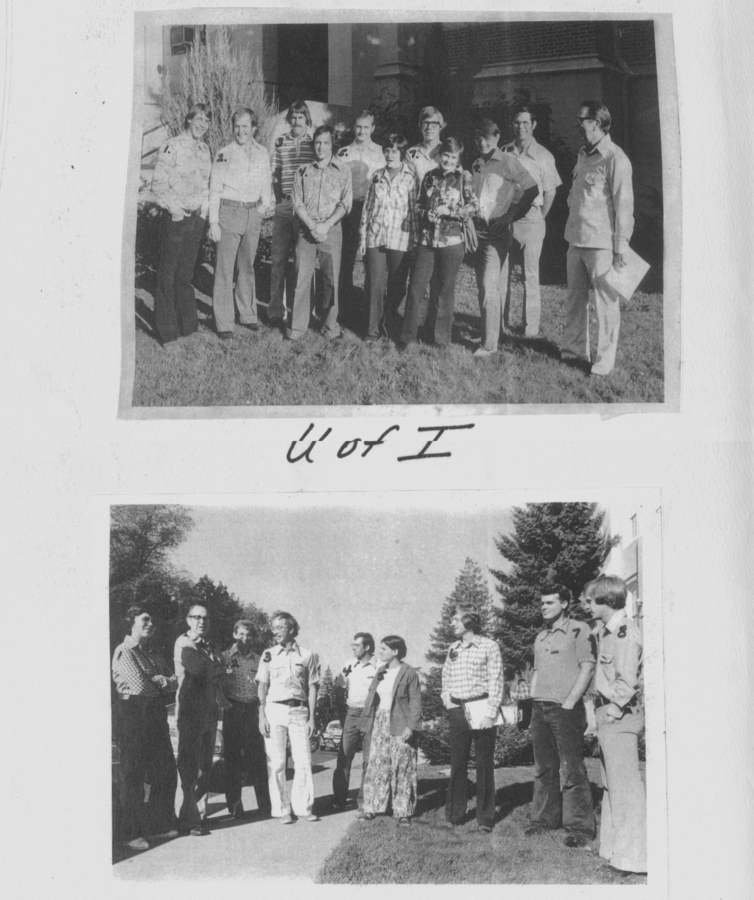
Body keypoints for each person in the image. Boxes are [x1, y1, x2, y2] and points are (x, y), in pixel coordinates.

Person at [562, 100, 634, 375]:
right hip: (576, 239)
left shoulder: (615, 158)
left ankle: (604, 362)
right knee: (574, 299)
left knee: (606, 304)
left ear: (597, 122)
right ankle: (573, 352)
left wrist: (620, 246)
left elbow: (624, 206)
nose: (578, 125)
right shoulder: (583, 154)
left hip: (602, 244)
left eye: (581, 120)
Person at [583, 575, 646, 875]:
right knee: (611, 787)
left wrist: (614, 710)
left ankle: (635, 859)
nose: (586, 605)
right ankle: (613, 852)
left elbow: (627, 680)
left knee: (626, 790)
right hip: (608, 715)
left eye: (589, 600)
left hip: (618, 715)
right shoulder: (606, 631)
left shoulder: (623, 632)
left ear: (606, 601)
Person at [526, 584, 597, 847]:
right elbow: (536, 672)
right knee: (544, 768)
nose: (543, 607)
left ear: (565, 604)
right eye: (542, 603)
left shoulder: (579, 629)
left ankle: (579, 827)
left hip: (566, 709)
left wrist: (569, 703)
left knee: (572, 768)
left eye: (550, 603)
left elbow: (587, 668)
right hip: (540, 708)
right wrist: (532, 700)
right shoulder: (541, 636)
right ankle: (543, 821)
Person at [400, 137, 478, 350]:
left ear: (458, 158)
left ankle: (439, 339)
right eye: (446, 155)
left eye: (453, 157)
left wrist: (451, 211)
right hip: (426, 241)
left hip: (451, 242)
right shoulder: (428, 176)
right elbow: (417, 205)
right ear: (439, 155)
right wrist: (427, 214)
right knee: (416, 288)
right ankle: (408, 337)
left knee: (444, 290)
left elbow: (474, 207)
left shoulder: (464, 177)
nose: (449, 160)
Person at [470, 118, 539, 358]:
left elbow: (532, 189)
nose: (482, 141)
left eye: (487, 137)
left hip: (497, 232)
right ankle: (490, 333)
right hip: (477, 231)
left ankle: (489, 346)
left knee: (489, 285)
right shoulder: (477, 164)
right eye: (478, 137)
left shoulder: (509, 162)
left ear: (497, 138)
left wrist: (510, 217)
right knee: (486, 286)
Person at [112, 606, 178, 851]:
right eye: (145, 619)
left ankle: (158, 825)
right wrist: (160, 681)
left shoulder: (155, 654)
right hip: (131, 715)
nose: (151, 623)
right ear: (132, 622)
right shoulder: (124, 650)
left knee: (166, 771)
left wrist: (162, 681)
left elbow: (174, 683)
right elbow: (139, 686)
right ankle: (131, 833)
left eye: (153, 620)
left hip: (154, 715)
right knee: (133, 775)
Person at [150, 103, 212, 350]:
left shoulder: (205, 149)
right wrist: (174, 210)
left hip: (196, 219)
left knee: (185, 276)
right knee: (167, 275)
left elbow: (206, 183)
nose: (202, 125)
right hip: (177, 218)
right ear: (188, 119)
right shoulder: (171, 146)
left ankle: (188, 327)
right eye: (198, 119)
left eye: (206, 121)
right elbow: (158, 184)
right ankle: (167, 334)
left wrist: (203, 214)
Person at [208, 107, 273, 343]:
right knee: (225, 268)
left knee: (247, 266)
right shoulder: (224, 153)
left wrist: (265, 206)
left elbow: (266, 182)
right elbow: (215, 188)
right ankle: (224, 321)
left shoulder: (262, 152)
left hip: (252, 214)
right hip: (229, 212)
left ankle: (247, 314)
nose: (241, 131)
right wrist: (214, 221)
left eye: (245, 126)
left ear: (253, 128)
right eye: (237, 126)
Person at [500, 106, 562, 337]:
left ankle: (530, 329)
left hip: (532, 219)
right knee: (501, 272)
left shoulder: (544, 156)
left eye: (526, 123)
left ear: (534, 125)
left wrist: (539, 216)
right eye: (517, 122)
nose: (521, 127)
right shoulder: (504, 151)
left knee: (530, 275)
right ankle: (499, 324)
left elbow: (551, 192)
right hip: (506, 218)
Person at [441, 608, 504, 833]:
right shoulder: (453, 648)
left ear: (469, 621)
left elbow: (496, 681)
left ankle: (485, 819)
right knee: (457, 763)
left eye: (456, 620)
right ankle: (454, 815)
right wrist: (448, 701)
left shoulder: (489, 646)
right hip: (458, 709)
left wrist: (490, 713)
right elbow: (445, 678)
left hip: (482, 708)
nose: (452, 624)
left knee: (484, 764)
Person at [289, 125, 353, 341]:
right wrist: (312, 225)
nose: (321, 147)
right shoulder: (303, 171)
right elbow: (296, 202)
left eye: (326, 142)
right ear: (313, 144)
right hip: (306, 231)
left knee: (331, 278)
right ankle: (297, 327)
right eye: (318, 142)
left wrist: (326, 225)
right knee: (301, 276)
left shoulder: (343, 171)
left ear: (332, 144)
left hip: (331, 231)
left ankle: (329, 326)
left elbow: (346, 203)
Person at [256, 611, 320, 824]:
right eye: (273, 628)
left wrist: (312, 718)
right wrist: (261, 716)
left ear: (291, 629)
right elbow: (262, 687)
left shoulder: (307, 655)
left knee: (303, 760)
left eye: (280, 628)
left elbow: (312, 688)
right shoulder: (268, 654)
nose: (275, 632)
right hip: (274, 711)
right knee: (276, 762)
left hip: (299, 711)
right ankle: (282, 809)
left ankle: (303, 808)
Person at [173, 604, 231, 836]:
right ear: (188, 620)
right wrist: (220, 668)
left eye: (206, 618)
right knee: (187, 767)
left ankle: (199, 817)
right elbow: (199, 668)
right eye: (197, 617)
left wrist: (218, 669)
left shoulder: (211, 647)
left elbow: (217, 672)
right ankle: (186, 820)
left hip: (209, 712)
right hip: (189, 712)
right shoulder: (184, 643)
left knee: (204, 767)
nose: (201, 622)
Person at [358, 133, 418, 341]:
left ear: (402, 153)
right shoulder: (377, 175)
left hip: (401, 239)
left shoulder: (411, 178)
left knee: (397, 284)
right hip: (375, 237)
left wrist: (416, 241)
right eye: (387, 150)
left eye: (394, 151)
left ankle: (390, 323)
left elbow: (414, 210)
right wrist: (363, 239)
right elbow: (367, 208)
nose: (390, 154)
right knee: (375, 284)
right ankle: (372, 330)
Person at [359, 635, 422, 827]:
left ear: (395, 651)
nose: (380, 652)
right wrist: (366, 723)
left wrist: (411, 727)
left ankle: (403, 811)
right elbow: (372, 699)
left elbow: (416, 702)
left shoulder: (409, 673)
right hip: (380, 722)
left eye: (384, 649)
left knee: (402, 767)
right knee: (377, 765)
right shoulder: (380, 671)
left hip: (401, 724)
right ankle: (372, 808)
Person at [268, 101, 316, 330]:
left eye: (301, 117)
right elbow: (276, 173)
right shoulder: (280, 142)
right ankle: (276, 310)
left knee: (301, 261)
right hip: (285, 206)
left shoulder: (314, 143)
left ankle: (302, 312)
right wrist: (279, 200)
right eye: (293, 117)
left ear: (307, 119)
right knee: (277, 259)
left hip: (305, 209)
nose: (297, 122)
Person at [220, 619, 272, 820]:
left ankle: (265, 807)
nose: (245, 638)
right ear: (234, 635)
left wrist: (261, 713)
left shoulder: (259, 660)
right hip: (232, 710)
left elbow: (264, 688)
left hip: (252, 711)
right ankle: (235, 808)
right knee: (232, 761)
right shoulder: (224, 657)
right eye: (241, 634)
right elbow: (218, 685)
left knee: (257, 760)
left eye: (248, 635)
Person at [336, 111, 386, 320]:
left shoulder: (382, 153)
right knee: (345, 261)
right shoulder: (343, 153)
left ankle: (369, 313)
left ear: (373, 128)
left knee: (371, 264)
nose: (362, 131)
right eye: (359, 127)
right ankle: (343, 310)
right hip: (349, 211)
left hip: (372, 211)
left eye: (366, 127)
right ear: (353, 127)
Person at [332, 632, 378, 811]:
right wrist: (342, 714)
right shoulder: (349, 665)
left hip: (371, 714)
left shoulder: (379, 666)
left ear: (366, 647)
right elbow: (339, 688)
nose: (352, 648)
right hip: (351, 713)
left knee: (369, 759)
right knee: (344, 758)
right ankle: (339, 799)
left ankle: (364, 801)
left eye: (356, 645)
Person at [406, 106, 446, 185]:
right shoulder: (411, 153)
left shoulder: (448, 151)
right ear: (420, 126)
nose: (429, 127)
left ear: (440, 126)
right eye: (425, 123)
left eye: (434, 123)